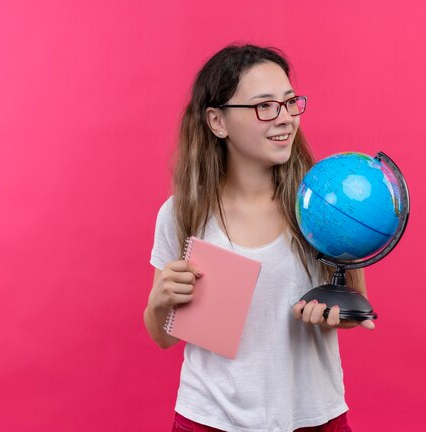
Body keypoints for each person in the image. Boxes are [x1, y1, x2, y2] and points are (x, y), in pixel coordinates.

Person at [144, 44, 374, 432]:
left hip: (312, 417)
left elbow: (356, 307)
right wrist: (157, 302)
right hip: (210, 419)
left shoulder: (320, 206)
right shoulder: (183, 212)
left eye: (289, 103)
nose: (284, 119)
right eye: (264, 106)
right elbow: (163, 337)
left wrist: (338, 316)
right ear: (217, 122)